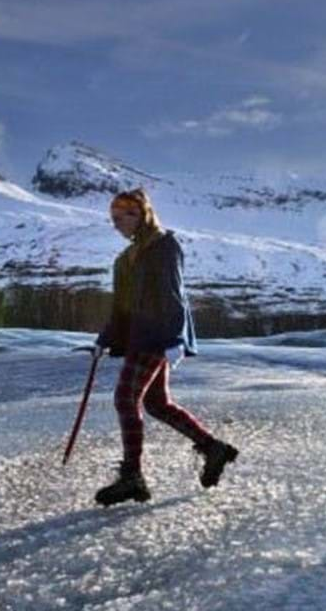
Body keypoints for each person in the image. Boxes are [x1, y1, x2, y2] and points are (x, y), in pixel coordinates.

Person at [91, 188, 239, 505]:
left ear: (140, 215)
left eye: (122, 217)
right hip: (138, 339)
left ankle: (133, 476)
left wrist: (174, 338)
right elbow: (121, 308)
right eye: (113, 219)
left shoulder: (163, 247)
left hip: (155, 337)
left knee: (125, 398)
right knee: (156, 404)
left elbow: (174, 295)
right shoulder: (124, 259)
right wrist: (104, 340)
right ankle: (213, 448)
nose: (116, 224)